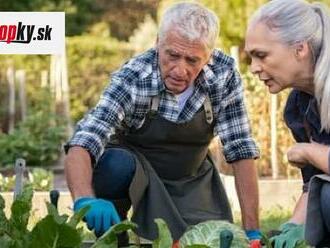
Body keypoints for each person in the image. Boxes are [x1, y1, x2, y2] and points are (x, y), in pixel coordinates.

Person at [65, 2, 261, 245]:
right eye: (172, 55)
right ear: (158, 42)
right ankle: (115, 237)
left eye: (192, 60)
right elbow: (85, 139)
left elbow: (240, 148)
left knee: (207, 241)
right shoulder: (135, 76)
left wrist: (253, 231)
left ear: (208, 56)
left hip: (191, 176)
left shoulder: (223, 74)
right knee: (114, 165)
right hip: (137, 174)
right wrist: (84, 199)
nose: (180, 70)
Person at [245, 0, 330, 246]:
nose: (253, 68)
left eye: (261, 55)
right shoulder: (298, 107)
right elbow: (312, 186)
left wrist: (308, 150)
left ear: (300, 49)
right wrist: (289, 230)